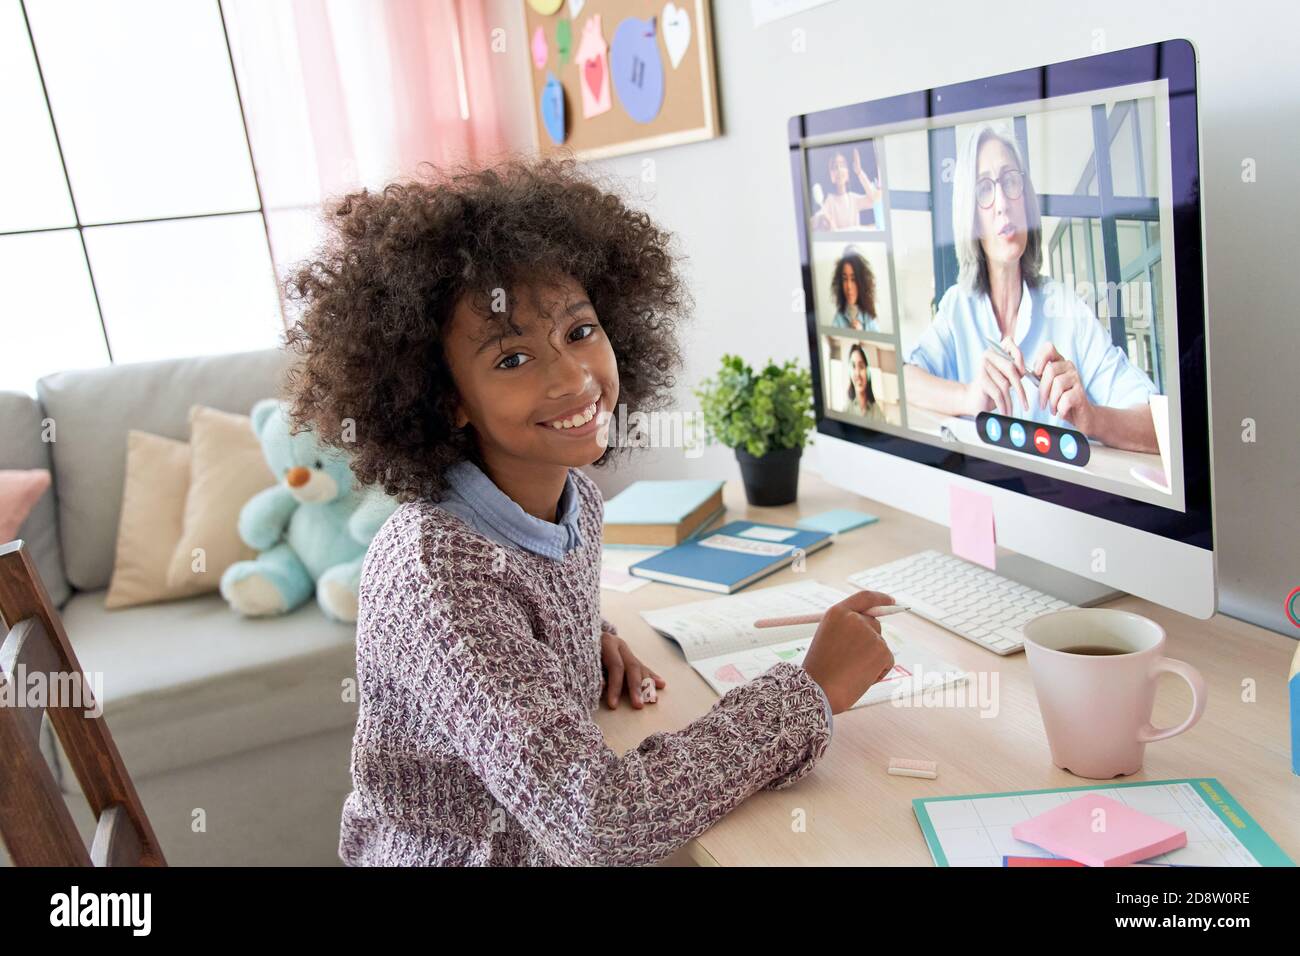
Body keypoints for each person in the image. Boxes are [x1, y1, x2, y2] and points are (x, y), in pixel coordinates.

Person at [282, 158, 897, 866]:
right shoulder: (438, 576)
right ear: (442, 395)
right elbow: (599, 823)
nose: (573, 378)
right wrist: (810, 690)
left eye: (578, 332)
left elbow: (523, 601)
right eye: (512, 359)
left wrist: (577, 640)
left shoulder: (571, 495)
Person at [902, 124, 1159, 452]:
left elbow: (1157, 424)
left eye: (1011, 181)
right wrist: (968, 397)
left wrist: (1092, 418)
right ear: (971, 218)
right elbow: (904, 380)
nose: (1001, 204)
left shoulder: (1067, 308)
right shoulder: (957, 307)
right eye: (983, 189)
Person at [812, 145, 883, 231]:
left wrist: (859, 172)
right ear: (831, 176)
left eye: (842, 165)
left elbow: (874, 200)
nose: (839, 169)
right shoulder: (830, 201)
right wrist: (820, 218)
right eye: (835, 167)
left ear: (848, 174)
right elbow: (816, 219)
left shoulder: (853, 199)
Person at [829, 250, 880, 331]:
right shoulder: (838, 319)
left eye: (853, 279)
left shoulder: (869, 318)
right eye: (845, 279)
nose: (848, 286)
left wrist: (862, 335)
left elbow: (878, 343)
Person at [845, 343, 887, 424]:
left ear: (867, 372)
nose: (857, 373)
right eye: (853, 366)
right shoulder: (846, 410)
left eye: (861, 367)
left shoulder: (877, 411)